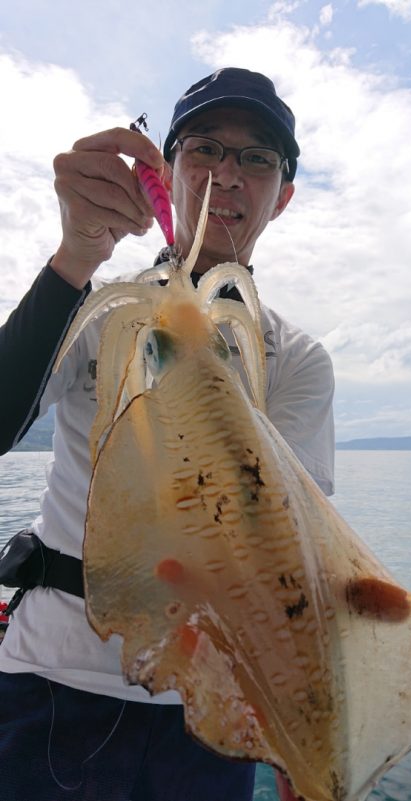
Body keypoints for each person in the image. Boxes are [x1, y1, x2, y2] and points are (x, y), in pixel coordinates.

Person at [0, 68, 335, 801]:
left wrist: (297, 721)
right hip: (56, 680)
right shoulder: (95, 314)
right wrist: (76, 256)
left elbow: (291, 554)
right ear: (168, 172)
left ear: (281, 195)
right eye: (205, 149)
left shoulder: (295, 358)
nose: (226, 173)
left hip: (209, 713)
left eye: (256, 158)